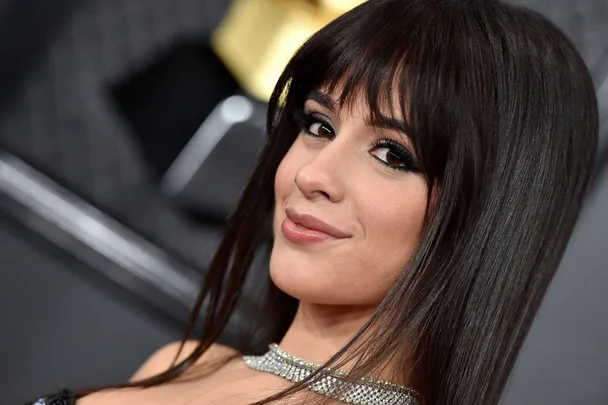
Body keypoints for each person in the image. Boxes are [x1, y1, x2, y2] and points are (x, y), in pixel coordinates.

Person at [26, 0, 599, 404]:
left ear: (488, 219)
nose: (312, 173)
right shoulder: (180, 362)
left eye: (393, 155)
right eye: (320, 126)